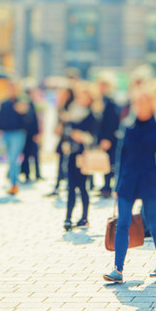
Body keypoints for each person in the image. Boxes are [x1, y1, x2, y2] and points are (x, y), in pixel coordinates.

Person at [103, 87, 156, 284]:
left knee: (152, 222)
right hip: (128, 181)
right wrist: (116, 184)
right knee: (122, 222)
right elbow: (120, 155)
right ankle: (118, 269)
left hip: (149, 182)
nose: (139, 106)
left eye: (143, 102)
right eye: (137, 102)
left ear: (151, 104)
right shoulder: (128, 127)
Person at [62, 85, 98, 230]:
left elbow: (94, 136)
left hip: (84, 155)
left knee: (83, 187)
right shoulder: (73, 112)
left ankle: (84, 217)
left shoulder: (92, 115)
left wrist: (82, 137)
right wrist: (67, 139)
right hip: (71, 153)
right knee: (70, 187)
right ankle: (68, 218)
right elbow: (67, 129)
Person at [0, 84, 29, 196]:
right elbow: (0, 117)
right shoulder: (5, 102)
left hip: (18, 133)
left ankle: (14, 183)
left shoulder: (22, 102)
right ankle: (13, 180)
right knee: (10, 158)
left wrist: (23, 111)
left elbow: (29, 118)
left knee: (13, 157)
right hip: (6, 133)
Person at [47, 88, 75, 197]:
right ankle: (58, 185)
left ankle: (67, 185)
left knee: (68, 163)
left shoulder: (71, 106)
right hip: (63, 138)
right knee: (61, 162)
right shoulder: (61, 106)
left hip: (69, 138)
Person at [98, 80, 122, 199]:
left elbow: (112, 121)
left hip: (109, 138)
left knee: (109, 164)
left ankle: (108, 186)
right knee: (103, 163)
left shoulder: (111, 101)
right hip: (101, 137)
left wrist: (107, 138)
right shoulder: (99, 100)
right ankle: (105, 185)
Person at [20, 87, 42, 183]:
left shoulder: (31, 104)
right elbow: (31, 121)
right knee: (28, 156)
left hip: (31, 134)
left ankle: (36, 174)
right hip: (28, 134)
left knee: (34, 155)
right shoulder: (26, 104)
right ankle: (28, 175)